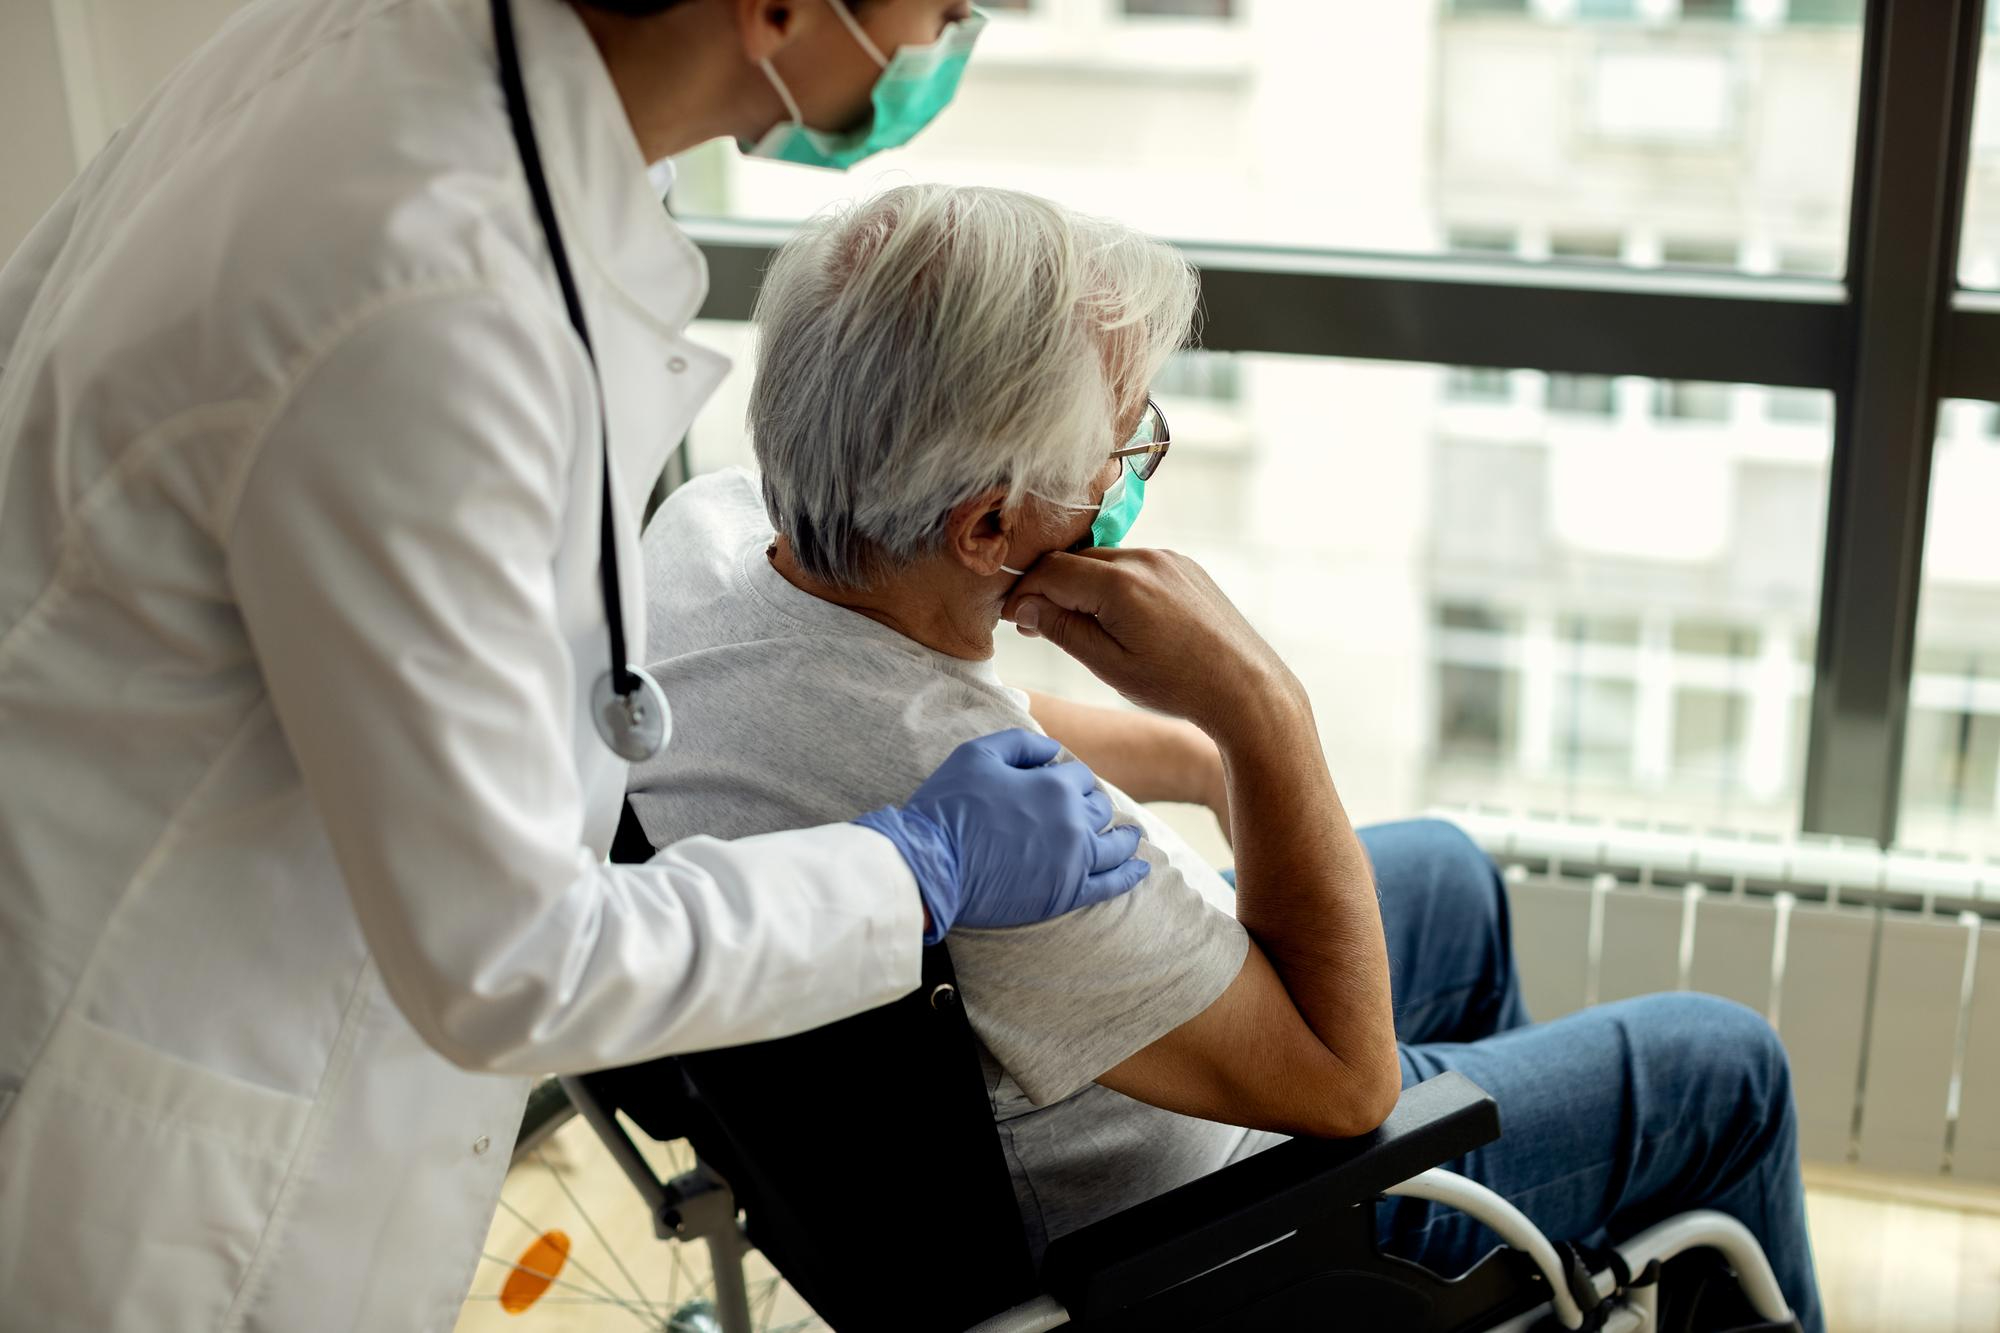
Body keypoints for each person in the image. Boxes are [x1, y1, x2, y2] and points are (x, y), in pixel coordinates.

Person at [0, 2, 1163, 1327]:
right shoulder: (423, 290)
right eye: (945, 5)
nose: (959, 25)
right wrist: (914, 866)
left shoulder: (421, 84)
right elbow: (512, 957)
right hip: (164, 1153)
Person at [626, 182, 1827, 1330]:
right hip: (1229, 1235)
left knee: (1450, 879)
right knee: (1724, 1066)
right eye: (1121, 440)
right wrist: (1259, 710)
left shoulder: (713, 534)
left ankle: (1527, 1255)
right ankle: (1474, 1251)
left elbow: (925, 708)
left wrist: (1198, 770)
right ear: (987, 525)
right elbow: (1348, 1084)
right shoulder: (1015, 877)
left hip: (1001, 1100)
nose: (1128, 466)